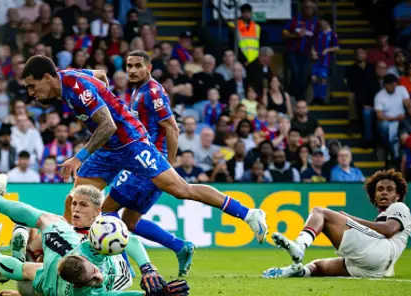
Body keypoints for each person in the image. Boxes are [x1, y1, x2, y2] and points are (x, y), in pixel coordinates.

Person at [22, 55, 268, 242]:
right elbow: (99, 74)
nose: (31, 93)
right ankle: (67, 250)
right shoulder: (66, 78)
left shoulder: (76, 88)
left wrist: (79, 157)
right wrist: (107, 96)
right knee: (75, 199)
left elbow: (107, 125)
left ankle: (248, 214)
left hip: (132, 142)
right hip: (108, 149)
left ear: (47, 77)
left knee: (181, 190)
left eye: (33, 86)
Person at [0, 176, 189, 296]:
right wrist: (151, 283)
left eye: (82, 205)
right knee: (33, 260)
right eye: (74, 204)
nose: (75, 209)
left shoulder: (95, 238)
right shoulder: (90, 291)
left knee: (44, 227)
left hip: (55, 275)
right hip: (51, 283)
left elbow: (128, 241)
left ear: (98, 210)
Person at [100, 51, 196, 276]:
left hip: (149, 162)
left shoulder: (152, 92)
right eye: (129, 66)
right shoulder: (137, 91)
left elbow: (172, 128)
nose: (132, 70)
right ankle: (180, 247)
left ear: (149, 68)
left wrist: (168, 166)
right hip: (145, 161)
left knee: (107, 209)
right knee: (130, 222)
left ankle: (122, 269)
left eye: (137, 66)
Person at [264, 170, 411, 279]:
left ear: (398, 195)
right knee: (318, 266)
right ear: (374, 195)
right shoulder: (383, 215)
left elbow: (388, 230)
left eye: (389, 189)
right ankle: (296, 271)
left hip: (380, 255)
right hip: (374, 270)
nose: (384, 193)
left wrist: (349, 218)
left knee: (320, 212)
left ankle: (300, 245)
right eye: (380, 189)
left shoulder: (399, 207)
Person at [283, 0, 318, 100]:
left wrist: (313, 51)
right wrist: (295, 35)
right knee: (296, 73)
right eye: (307, 7)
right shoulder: (295, 20)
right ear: (303, 8)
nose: (309, 9)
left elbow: (314, 39)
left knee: (305, 76)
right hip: (293, 52)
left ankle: (298, 98)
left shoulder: (315, 22)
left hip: (306, 53)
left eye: (311, 8)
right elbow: (284, 34)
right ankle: (292, 97)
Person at [374, 74, 409, 161]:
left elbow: (408, 104)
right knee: (384, 126)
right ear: (385, 85)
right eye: (391, 85)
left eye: (395, 84)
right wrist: (394, 118)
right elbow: (379, 116)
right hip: (388, 120)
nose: (394, 87)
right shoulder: (379, 96)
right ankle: (387, 149)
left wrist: (407, 113)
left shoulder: (401, 89)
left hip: (402, 119)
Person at [310, 14, 339, 105]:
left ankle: (322, 98)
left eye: (322, 21)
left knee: (322, 78)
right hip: (316, 59)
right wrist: (313, 51)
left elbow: (337, 47)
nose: (320, 23)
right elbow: (312, 44)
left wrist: (327, 50)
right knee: (313, 78)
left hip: (325, 60)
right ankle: (315, 97)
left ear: (326, 22)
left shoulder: (332, 34)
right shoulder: (318, 33)